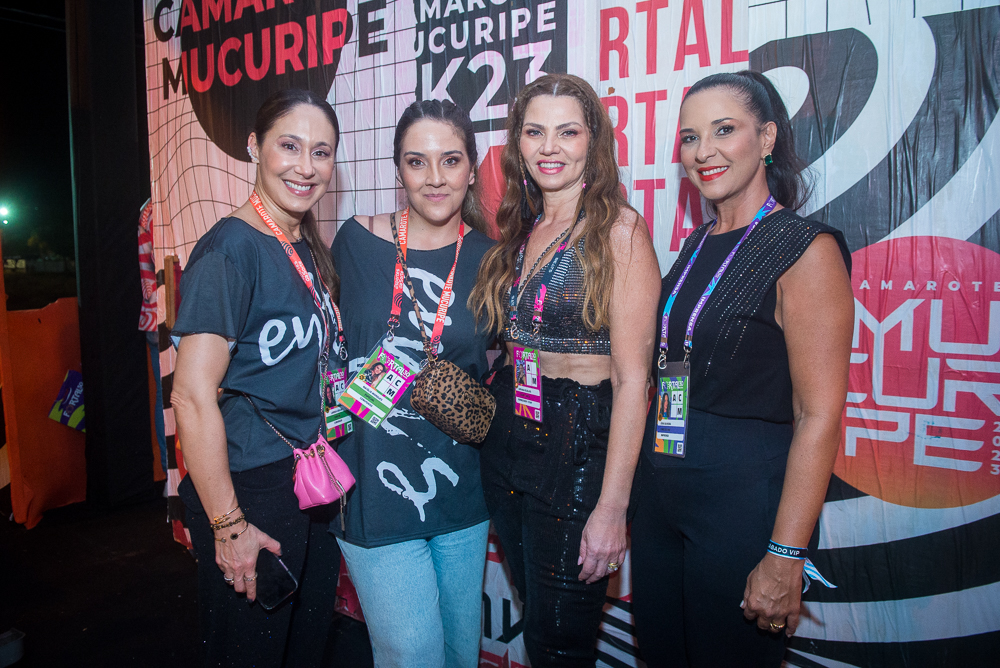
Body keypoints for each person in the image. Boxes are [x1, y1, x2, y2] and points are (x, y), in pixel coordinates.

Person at [630, 71, 854, 667]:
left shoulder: (805, 249)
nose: (704, 152)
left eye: (723, 130)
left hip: (739, 507)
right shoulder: (696, 243)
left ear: (768, 137)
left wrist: (785, 553)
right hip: (659, 502)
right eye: (689, 137)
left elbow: (819, 414)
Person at [469, 73, 660, 667]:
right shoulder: (522, 230)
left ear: (592, 142)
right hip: (511, 436)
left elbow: (635, 381)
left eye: (567, 132)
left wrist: (611, 508)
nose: (549, 147)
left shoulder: (619, 230)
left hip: (579, 445)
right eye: (534, 132)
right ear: (517, 144)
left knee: (560, 640)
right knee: (537, 621)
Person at [171, 89, 345, 667]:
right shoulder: (229, 251)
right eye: (289, 146)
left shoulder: (301, 242)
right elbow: (192, 398)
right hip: (249, 485)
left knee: (303, 647)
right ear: (254, 147)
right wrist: (229, 527)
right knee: (250, 652)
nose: (305, 166)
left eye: (320, 152)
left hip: (304, 477)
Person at [330, 99, 494, 668]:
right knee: (413, 656)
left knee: (458, 654)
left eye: (450, 160)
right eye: (416, 162)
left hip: (462, 494)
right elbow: (325, 354)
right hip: (374, 493)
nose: (435, 178)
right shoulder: (354, 244)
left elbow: (497, 374)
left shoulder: (492, 260)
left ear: (472, 168)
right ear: (398, 169)